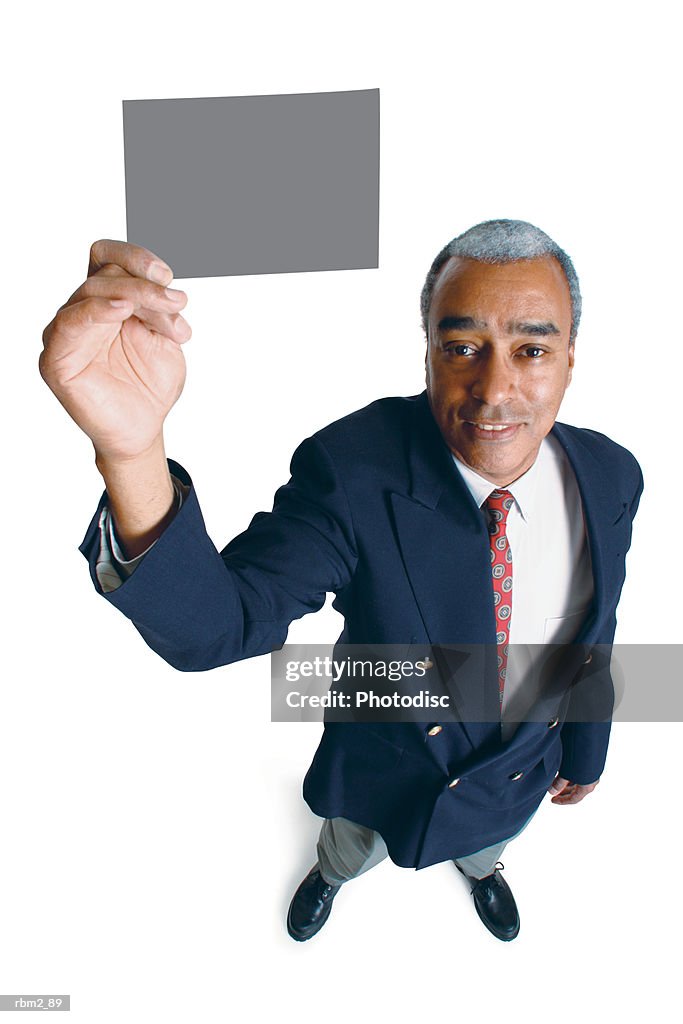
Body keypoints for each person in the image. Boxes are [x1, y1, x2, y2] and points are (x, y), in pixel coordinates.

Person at [40, 220, 643, 943]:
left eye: (532, 350)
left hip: (515, 769)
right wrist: (132, 452)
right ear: (426, 354)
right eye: (461, 348)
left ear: (569, 360)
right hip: (385, 748)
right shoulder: (352, 471)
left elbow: (593, 631)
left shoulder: (611, 475)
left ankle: (482, 869)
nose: (494, 390)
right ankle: (329, 872)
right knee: (350, 843)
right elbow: (219, 625)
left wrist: (585, 750)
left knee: (485, 842)